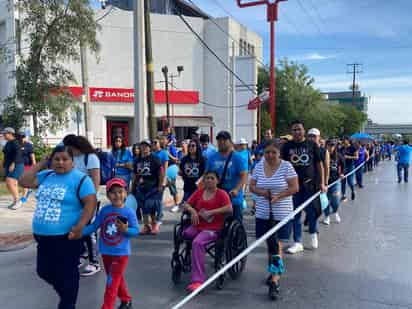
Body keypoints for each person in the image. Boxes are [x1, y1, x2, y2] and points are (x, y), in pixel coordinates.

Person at [19, 145, 97, 309]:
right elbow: (23, 181)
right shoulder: (46, 175)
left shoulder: (81, 179)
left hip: (66, 236)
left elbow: (90, 203)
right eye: (56, 159)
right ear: (51, 161)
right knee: (44, 271)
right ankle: (67, 297)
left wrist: (80, 226)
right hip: (42, 237)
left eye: (65, 159)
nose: (60, 162)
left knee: (68, 274)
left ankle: (68, 303)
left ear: (72, 162)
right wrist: (41, 163)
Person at [249, 140, 298, 300]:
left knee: (277, 245)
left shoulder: (286, 166)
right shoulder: (258, 166)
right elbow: (252, 186)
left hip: (282, 212)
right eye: (267, 152)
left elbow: (294, 187)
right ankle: (273, 271)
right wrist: (262, 193)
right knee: (270, 245)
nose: (269, 155)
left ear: (279, 153)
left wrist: (279, 196)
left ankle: (275, 280)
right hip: (263, 212)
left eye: (273, 152)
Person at [83, 178, 138, 309]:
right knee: (115, 278)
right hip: (106, 251)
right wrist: (79, 232)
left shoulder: (129, 212)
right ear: (107, 195)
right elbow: (94, 226)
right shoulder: (104, 210)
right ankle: (126, 300)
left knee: (111, 282)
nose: (117, 195)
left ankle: (107, 307)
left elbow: (135, 230)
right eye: (113, 192)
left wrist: (126, 229)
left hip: (121, 253)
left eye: (120, 191)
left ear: (126, 193)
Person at [183, 171, 232, 292]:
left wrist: (212, 212)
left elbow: (229, 209)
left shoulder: (222, 193)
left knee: (198, 243)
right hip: (198, 225)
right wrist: (193, 211)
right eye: (207, 178)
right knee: (184, 234)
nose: (209, 180)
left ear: (217, 181)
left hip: (213, 228)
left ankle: (198, 280)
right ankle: (190, 259)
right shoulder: (199, 192)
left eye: (212, 178)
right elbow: (187, 204)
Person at [281, 120, 326, 253]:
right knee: (295, 214)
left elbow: (319, 165)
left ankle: (313, 234)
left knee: (312, 213)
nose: (296, 132)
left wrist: (322, 183)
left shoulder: (312, 145)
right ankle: (297, 242)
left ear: (303, 130)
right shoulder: (287, 146)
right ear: (291, 132)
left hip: (310, 185)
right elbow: (282, 165)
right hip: (293, 186)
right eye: (294, 130)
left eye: (299, 129)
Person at [62, 134, 102, 276]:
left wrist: (90, 200)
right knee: (75, 229)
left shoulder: (90, 158)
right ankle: (81, 255)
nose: (67, 150)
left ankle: (94, 262)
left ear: (76, 147)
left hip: (88, 201)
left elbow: (96, 179)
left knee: (88, 231)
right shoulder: (71, 158)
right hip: (74, 201)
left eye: (69, 148)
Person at [205, 131, 248, 222]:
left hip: (233, 199)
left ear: (230, 141)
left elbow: (244, 176)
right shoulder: (212, 157)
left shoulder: (237, 157)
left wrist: (237, 189)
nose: (221, 142)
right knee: (217, 227)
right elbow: (206, 175)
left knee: (235, 227)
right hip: (216, 198)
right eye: (219, 140)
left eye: (224, 140)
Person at [133, 140, 164, 235]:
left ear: (149, 147)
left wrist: (160, 185)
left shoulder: (155, 158)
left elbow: (161, 172)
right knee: (143, 207)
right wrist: (133, 186)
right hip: (141, 187)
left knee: (150, 206)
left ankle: (154, 224)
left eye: (146, 146)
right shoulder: (137, 159)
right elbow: (135, 174)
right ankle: (146, 226)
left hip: (153, 186)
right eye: (142, 146)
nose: (144, 148)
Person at [175, 139, 205, 213]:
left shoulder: (202, 159)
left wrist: (200, 182)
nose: (191, 147)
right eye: (189, 146)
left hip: (198, 188)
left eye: (193, 146)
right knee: (187, 209)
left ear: (197, 147)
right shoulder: (184, 159)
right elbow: (181, 172)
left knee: (198, 208)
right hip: (187, 187)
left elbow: (205, 173)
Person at [323, 140, 345, 225]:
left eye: (332, 145)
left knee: (335, 200)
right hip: (324, 183)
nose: (330, 147)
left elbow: (343, 166)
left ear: (335, 146)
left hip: (335, 181)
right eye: (329, 145)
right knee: (325, 201)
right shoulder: (322, 155)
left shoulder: (338, 156)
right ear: (326, 145)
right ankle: (326, 216)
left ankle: (335, 212)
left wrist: (342, 173)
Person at [2, 127, 24, 210]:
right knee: (10, 184)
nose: (3, 135)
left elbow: (18, 154)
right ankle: (15, 201)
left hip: (17, 164)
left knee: (10, 181)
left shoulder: (15, 142)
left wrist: (13, 164)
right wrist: (3, 166)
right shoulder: (8, 143)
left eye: (5, 134)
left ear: (10, 133)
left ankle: (18, 201)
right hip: (8, 165)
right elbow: (5, 155)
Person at [160, 135, 180, 210]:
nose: (162, 141)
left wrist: (168, 154)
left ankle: (176, 204)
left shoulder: (171, 148)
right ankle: (160, 204)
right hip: (162, 170)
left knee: (172, 187)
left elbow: (176, 159)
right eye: (161, 139)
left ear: (167, 140)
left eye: (164, 139)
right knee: (161, 188)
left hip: (170, 169)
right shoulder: (159, 149)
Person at [152, 137, 169, 223]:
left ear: (159, 143)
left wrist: (164, 180)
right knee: (154, 199)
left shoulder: (164, 153)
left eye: (155, 142)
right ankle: (158, 213)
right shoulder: (152, 154)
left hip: (161, 178)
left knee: (159, 199)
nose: (154, 144)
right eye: (153, 143)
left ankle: (159, 216)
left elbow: (165, 168)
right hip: (153, 180)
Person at [19, 130, 36, 203]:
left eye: (22, 136)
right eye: (19, 137)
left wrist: (34, 165)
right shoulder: (16, 145)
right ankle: (28, 190)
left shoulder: (28, 145)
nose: (21, 138)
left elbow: (32, 155)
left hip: (27, 165)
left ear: (24, 137)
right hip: (18, 165)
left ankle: (24, 196)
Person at [340, 137, 358, 201]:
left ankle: (353, 191)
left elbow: (356, 157)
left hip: (350, 166)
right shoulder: (341, 148)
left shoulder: (353, 148)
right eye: (343, 140)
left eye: (345, 140)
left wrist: (348, 157)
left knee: (350, 181)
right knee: (343, 182)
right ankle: (343, 195)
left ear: (348, 141)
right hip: (343, 167)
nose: (344, 141)